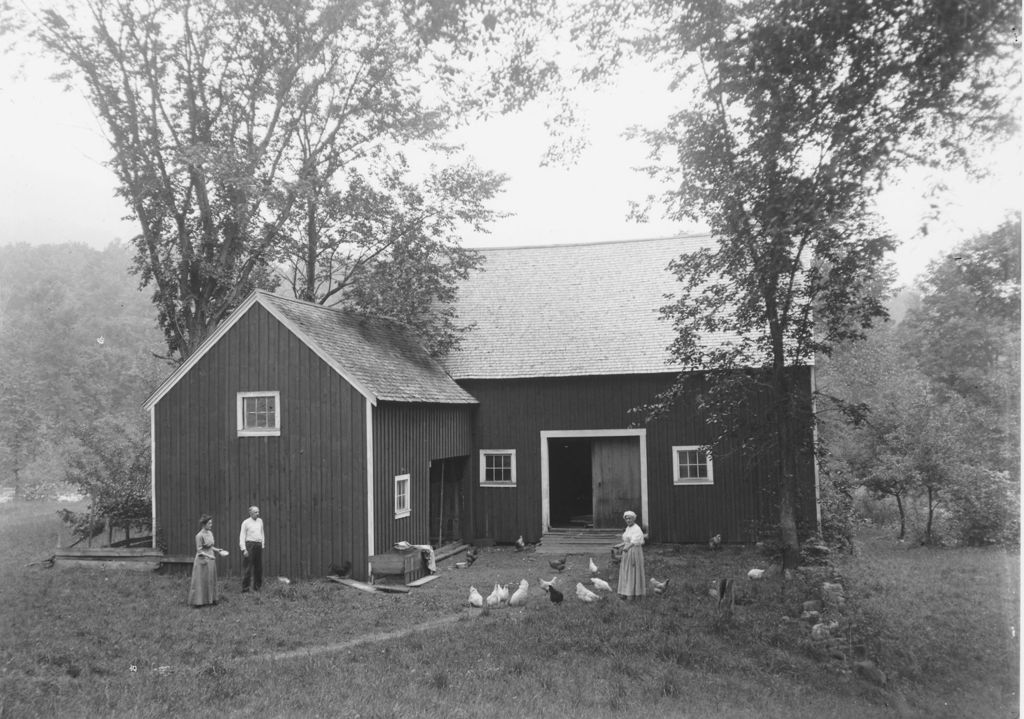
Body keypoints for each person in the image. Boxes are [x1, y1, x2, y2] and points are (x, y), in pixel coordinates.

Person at [188, 514, 225, 607]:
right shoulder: (199, 536)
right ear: (204, 524)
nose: (211, 525)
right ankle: (198, 602)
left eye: (211, 523)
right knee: (201, 580)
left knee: (210, 579)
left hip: (210, 558)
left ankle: (212, 599)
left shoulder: (210, 533)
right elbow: (199, 551)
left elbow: (210, 546)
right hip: (202, 559)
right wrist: (209, 556)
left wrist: (218, 550)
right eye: (209, 523)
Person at [616, 510, 647, 600]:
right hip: (627, 552)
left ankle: (633, 594)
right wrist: (621, 545)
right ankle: (625, 592)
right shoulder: (628, 528)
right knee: (626, 571)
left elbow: (635, 541)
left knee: (632, 570)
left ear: (633, 519)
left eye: (630, 518)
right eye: (627, 519)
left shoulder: (637, 528)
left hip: (634, 551)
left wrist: (626, 548)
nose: (628, 520)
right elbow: (627, 540)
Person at [239, 505, 265, 592]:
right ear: (250, 513)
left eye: (258, 512)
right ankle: (245, 588)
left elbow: (262, 533)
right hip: (250, 545)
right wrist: (244, 549)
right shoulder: (245, 523)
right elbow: (242, 536)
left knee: (258, 567)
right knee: (248, 568)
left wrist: (262, 544)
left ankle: (257, 587)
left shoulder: (260, 521)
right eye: (255, 512)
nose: (258, 514)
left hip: (258, 545)